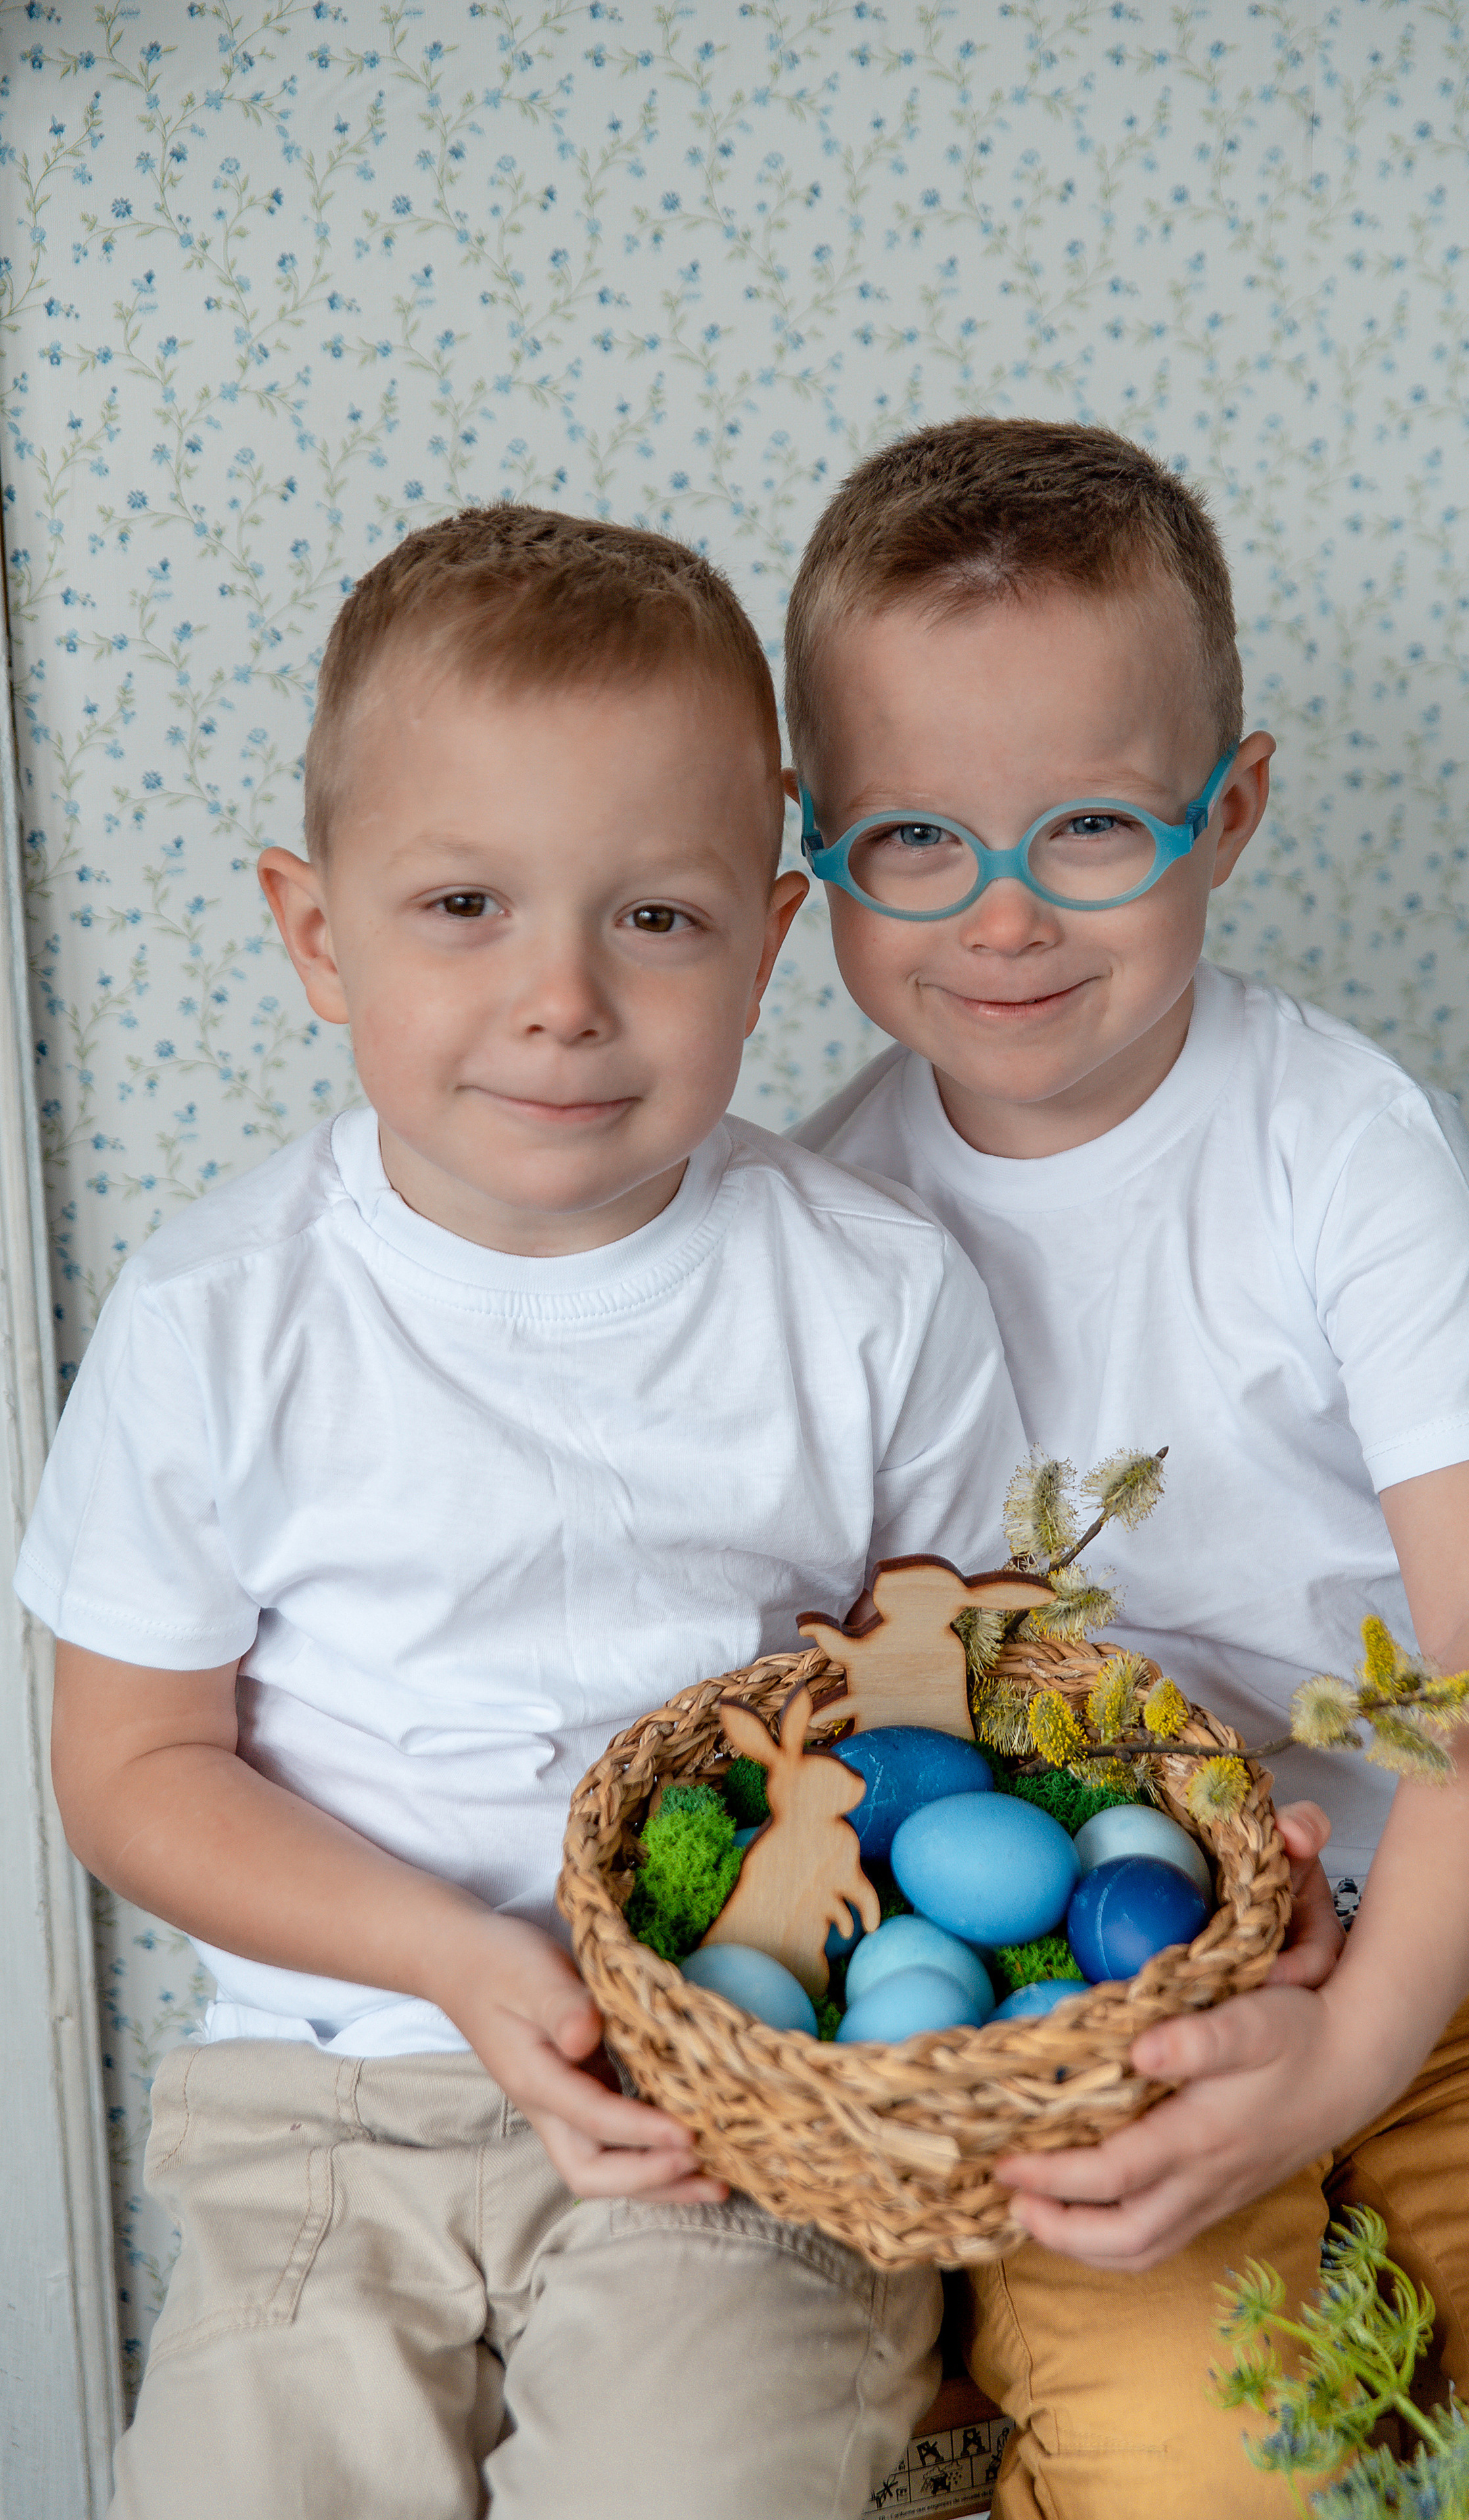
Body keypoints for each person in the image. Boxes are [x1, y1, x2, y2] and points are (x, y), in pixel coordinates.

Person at [22, 505, 1038, 2520]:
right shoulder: (220, 1317)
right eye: (466, 903)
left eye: (654, 918)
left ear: (764, 933)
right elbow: (134, 1766)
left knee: (702, 2480)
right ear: (320, 934)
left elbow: (960, 1689)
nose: (563, 996)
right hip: (331, 2093)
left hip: (732, 2094)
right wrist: (458, 1957)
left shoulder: (867, 1291)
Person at [786, 416, 1469, 2512]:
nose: (1003, 917)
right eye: (915, 838)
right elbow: (842, 1692)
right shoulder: (811, 1223)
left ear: (1234, 806)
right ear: (811, 837)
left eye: (1093, 823)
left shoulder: (1342, 1143)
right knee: (1201, 2466)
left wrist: (1360, 2041)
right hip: (1093, 2003)